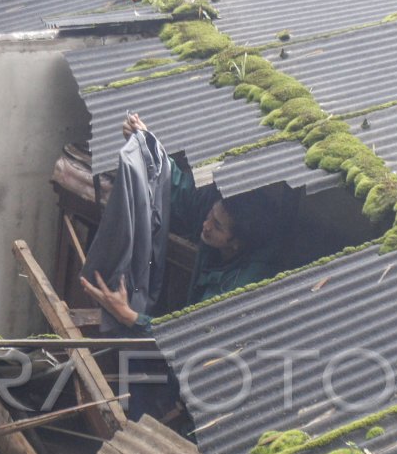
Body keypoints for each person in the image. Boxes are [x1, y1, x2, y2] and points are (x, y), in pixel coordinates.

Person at [80, 113, 279, 332]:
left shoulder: (239, 286)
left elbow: (193, 333)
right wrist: (147, 145)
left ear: (236, 243)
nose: (206, 225)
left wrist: (129, 316)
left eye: (218, 226)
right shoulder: (220, 209)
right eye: (210, 215)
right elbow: (177, 188)